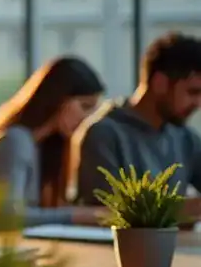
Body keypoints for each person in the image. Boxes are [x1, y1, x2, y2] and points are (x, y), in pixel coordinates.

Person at [0, 56, 108, 228]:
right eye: (85, 106)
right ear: (58, 99)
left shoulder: (43, 149)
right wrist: (80, 215)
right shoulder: (15, 141)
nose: (88, 118)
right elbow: (6, 216)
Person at [72, 32, 201, 218]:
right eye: (192, 92)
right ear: (160, 83)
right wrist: (186, 209)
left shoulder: (184, 137)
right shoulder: (103, 134)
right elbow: (108, 213)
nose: (198, 103)